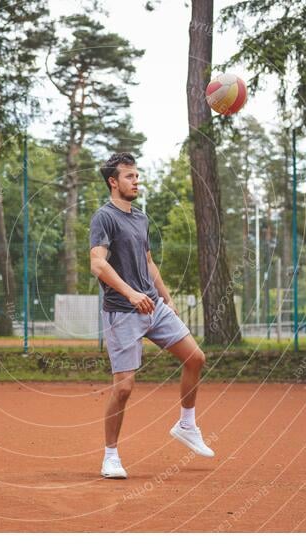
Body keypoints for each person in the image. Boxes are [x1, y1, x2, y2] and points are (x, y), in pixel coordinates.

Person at [89, 152, 214, 479]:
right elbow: (97, 264)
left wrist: (166, 298)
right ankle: (111, 456)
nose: (136, 181)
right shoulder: (104, 217)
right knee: (125, 388)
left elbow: (148, 262)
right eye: (129, 177)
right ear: (113, 182)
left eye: (137, 176)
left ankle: (186, 425)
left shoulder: (141, 218)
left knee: (195, 358)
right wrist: (130, 293)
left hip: (154, 307)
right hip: (122, 312)